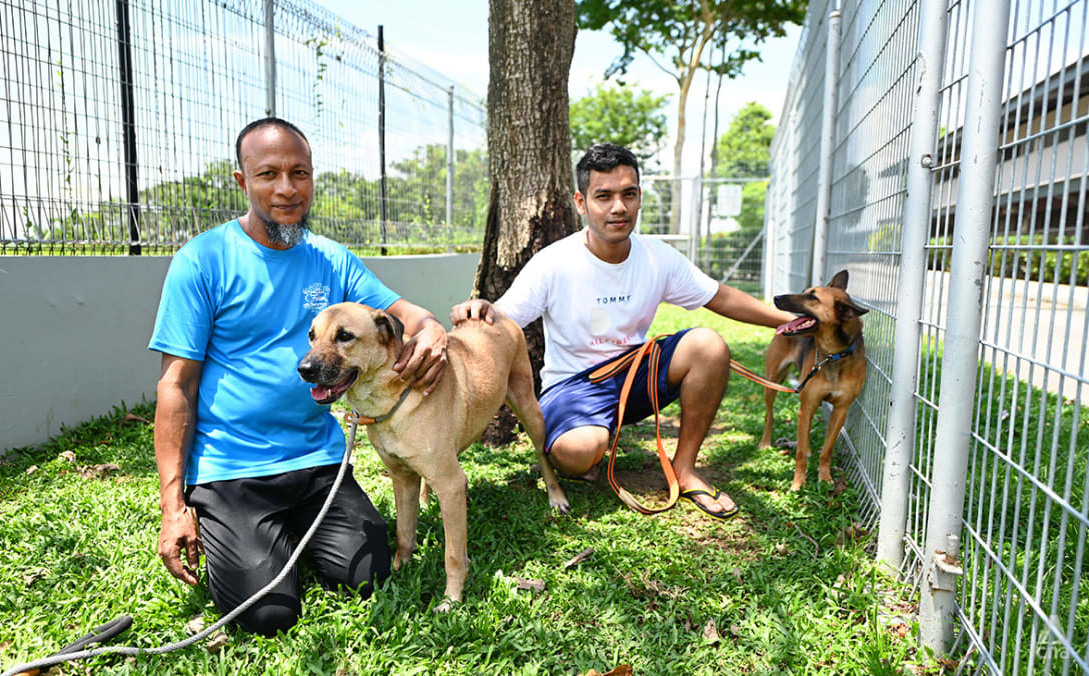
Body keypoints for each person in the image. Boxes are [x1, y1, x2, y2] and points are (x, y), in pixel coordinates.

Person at [148, 117, 448, 636]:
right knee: (267, 615)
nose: (286, 189)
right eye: (268, 174)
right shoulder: (202, 261)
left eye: (299, 173)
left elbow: (407, 314)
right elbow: (176, 386)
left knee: (369, 574)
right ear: (242, 182)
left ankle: (290, 533)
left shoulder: (331, 259)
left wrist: (434, 331)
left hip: (317, 461)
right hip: (232, 470)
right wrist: (173, 506)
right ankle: (256, 537)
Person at [450, 143, 795, 519]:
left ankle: (684, 468)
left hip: (634, 376)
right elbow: (503, 316)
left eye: (628, 194)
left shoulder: (657, 256)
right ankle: (586, 442)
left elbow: (719, 297)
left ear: (639, 198)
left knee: (707, 345)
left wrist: (787, 320)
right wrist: (480, 310)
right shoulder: (553, 262)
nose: (619, 207)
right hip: (573, 386)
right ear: (581, 203)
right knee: (579, 454)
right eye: (605, 196)